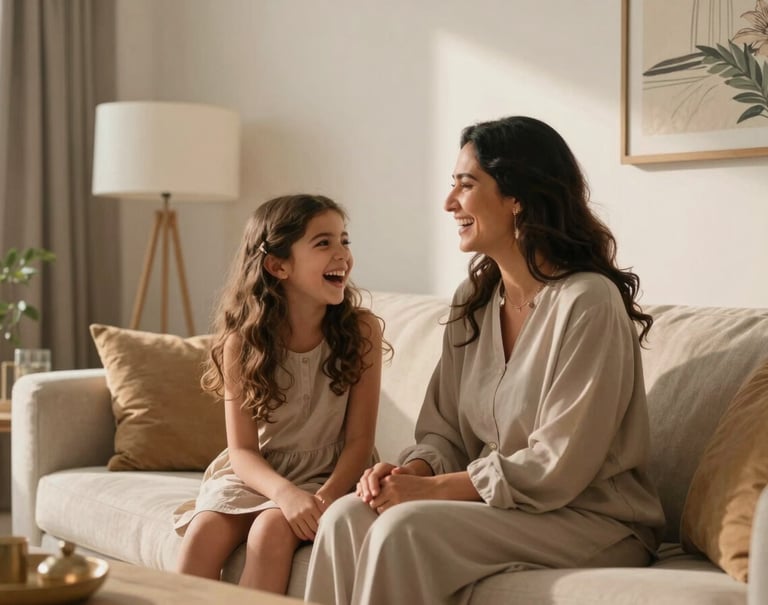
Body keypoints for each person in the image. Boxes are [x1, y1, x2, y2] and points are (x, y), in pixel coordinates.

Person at [304, 116, 666, 605]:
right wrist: (416, 473)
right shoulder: (474, 299)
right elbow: (445, 433)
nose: (449, 202)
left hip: (592, 518)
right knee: (346, 515)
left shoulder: (588, 301)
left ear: (517, 197)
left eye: (466, 185)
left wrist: (433, 493)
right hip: (510, 510)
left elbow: (558, 466)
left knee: (404, 529)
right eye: (451, 185)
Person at [173, 194, 387, 595]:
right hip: (261, 475)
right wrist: (285, 493)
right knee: (204, 531)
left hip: (331, 473)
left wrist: (321, 500)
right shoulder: (242, 342)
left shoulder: (362, 332)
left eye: (345, 240)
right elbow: (242, 452)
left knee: (272, 528)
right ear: (278, 265)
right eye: (323, 243)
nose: (342, 254)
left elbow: (360, 441)